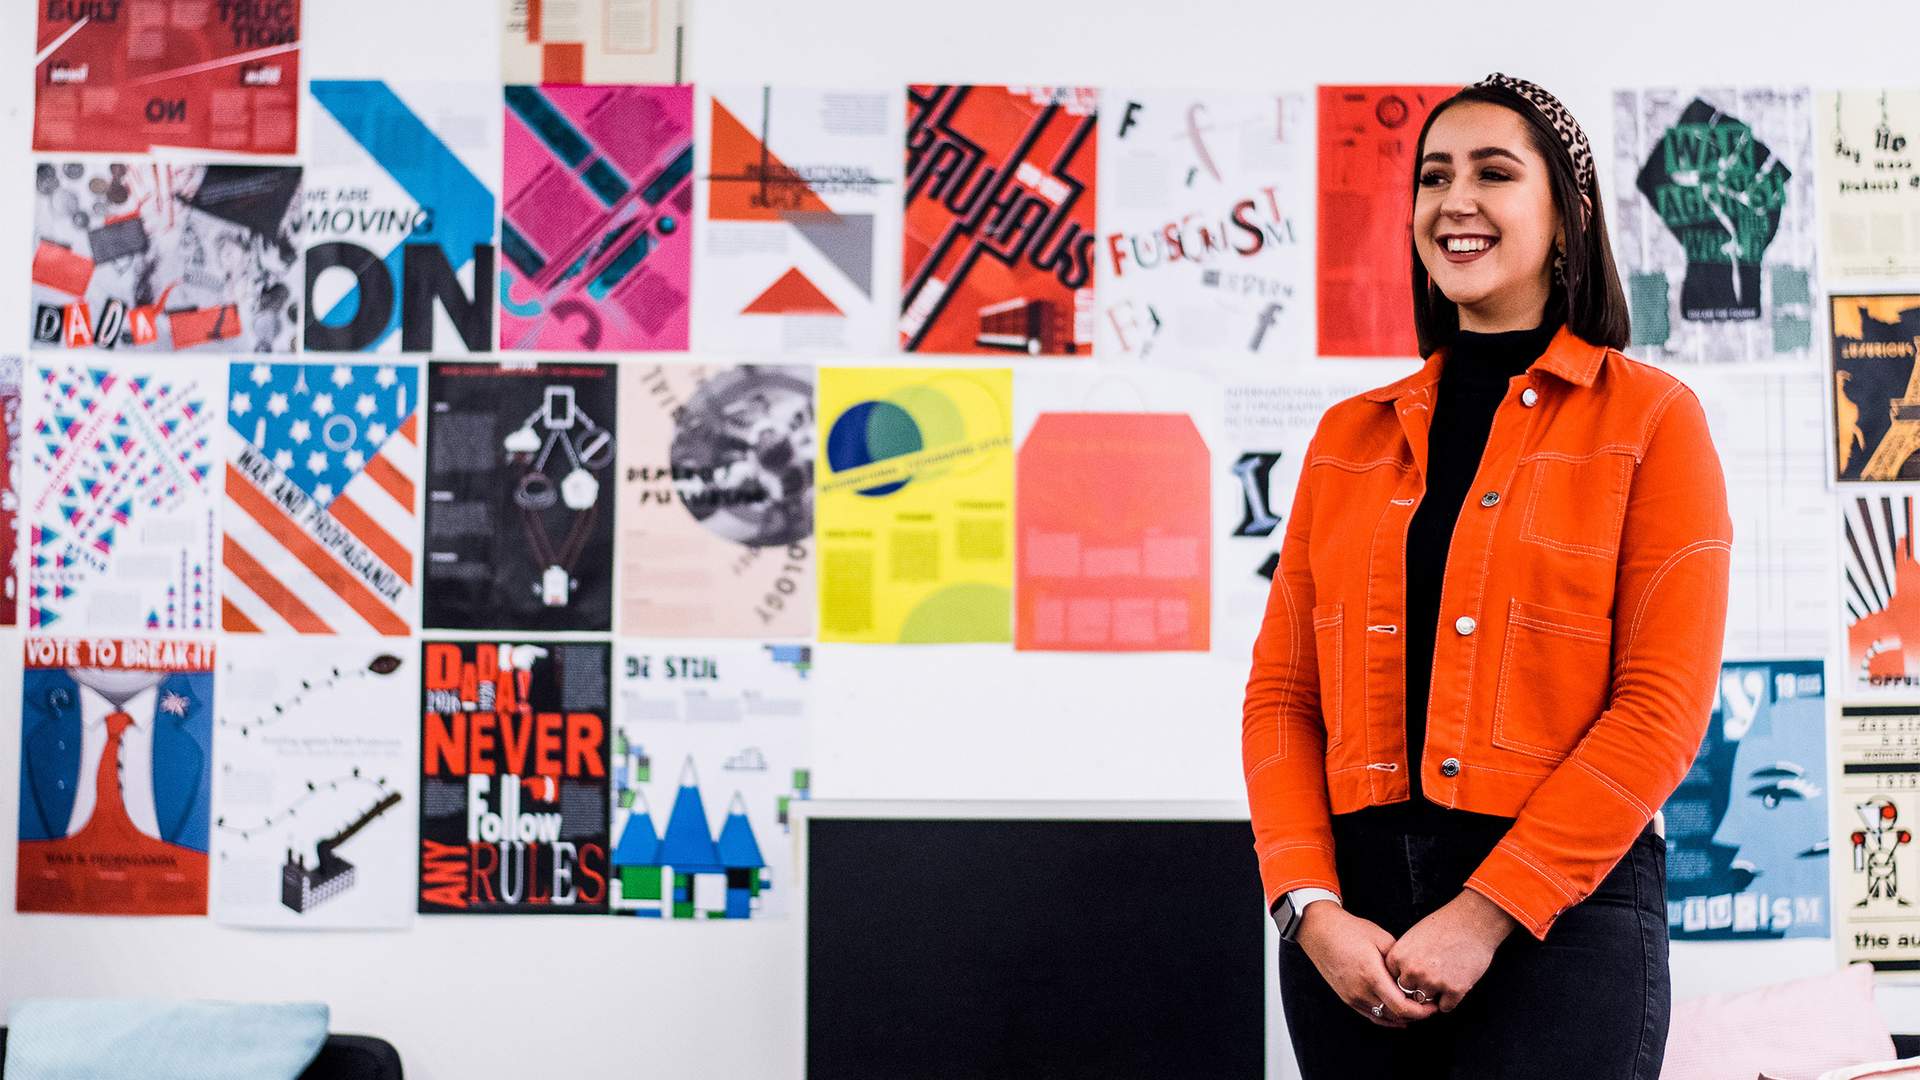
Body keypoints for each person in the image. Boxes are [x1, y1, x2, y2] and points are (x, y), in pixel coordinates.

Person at [1241, 73, 1733, 1079]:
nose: (1452, 201)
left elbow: (1660, 710)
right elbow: (1283, 700)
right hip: (1351, 936)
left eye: (1494, 173)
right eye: (1432, 177)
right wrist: (1306, 907)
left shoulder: (1652, 421)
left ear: (1567, 218)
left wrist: (1485, 912)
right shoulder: (1349, 438)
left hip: (1565, 922)